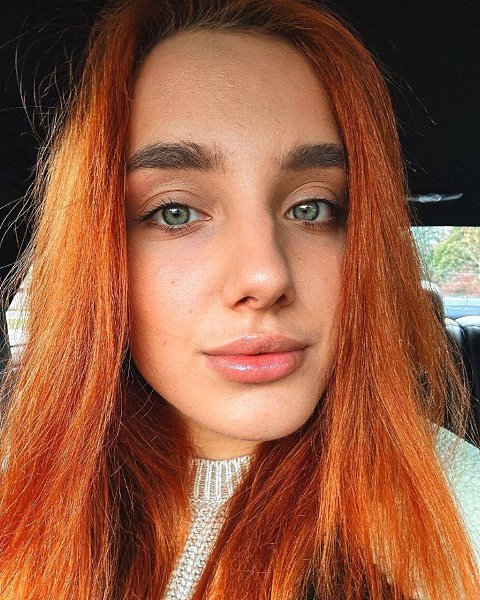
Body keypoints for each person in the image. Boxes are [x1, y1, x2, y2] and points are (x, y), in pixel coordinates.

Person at [0, 1, 479, 598]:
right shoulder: (19, 488)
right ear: (95, 253)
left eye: (313, 208)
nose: (266, 275)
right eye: (175, 213)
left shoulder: (459, 512)